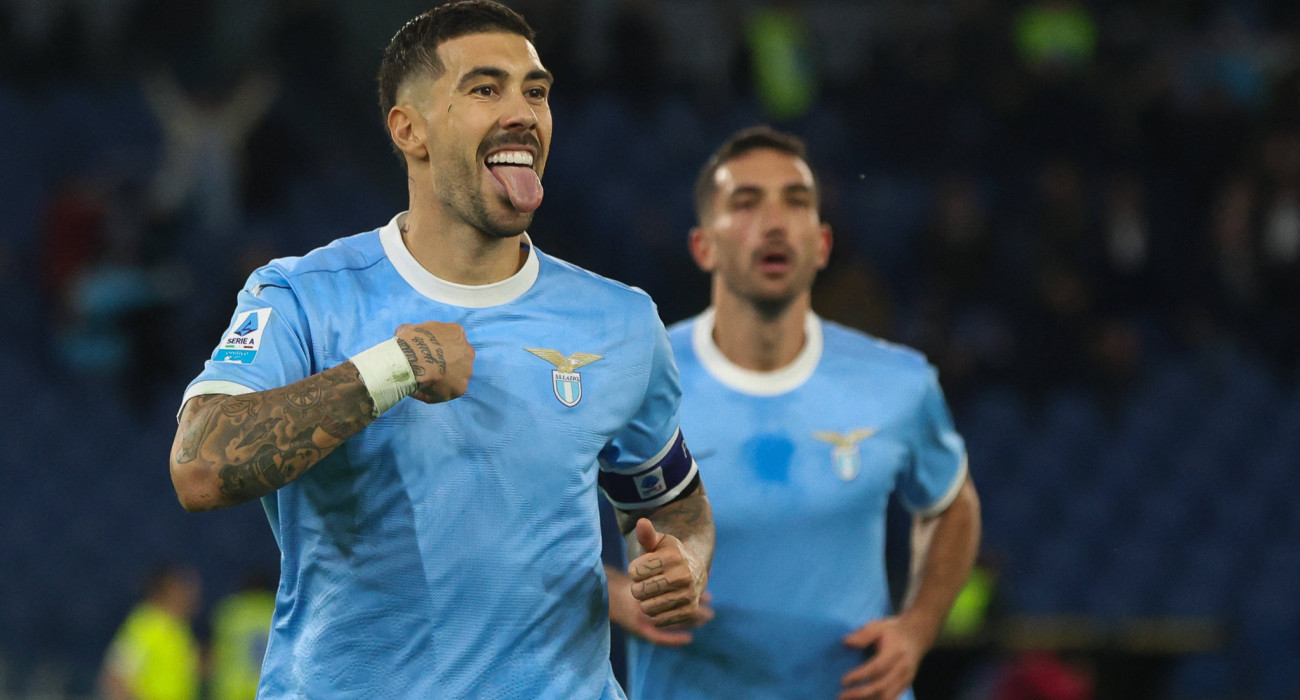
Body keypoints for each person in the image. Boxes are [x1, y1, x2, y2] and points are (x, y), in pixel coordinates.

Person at [168, 2, 714, 697]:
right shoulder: (303, 296)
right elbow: (200, 467)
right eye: (485, 88)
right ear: (410, 129)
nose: (522, 113)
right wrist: (391, 370)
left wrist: (681, 562)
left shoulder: (619, 321)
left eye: (536, 91)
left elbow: (672, 503)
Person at [607, 126, 982, 700]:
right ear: (703, 246)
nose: (775, 223)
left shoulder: (899, 382)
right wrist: (610, 592)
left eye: (796, 202)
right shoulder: (634, 378)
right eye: (746, 202)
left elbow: (952, 503)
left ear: (823, 243)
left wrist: (918, 628)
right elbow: (525, 515)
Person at [99, 564, 202, 700]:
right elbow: (115, 677)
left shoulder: (178, 628)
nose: (190, 597)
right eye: (182, 590)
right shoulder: (144, 626)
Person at [208, 572, 276, 700]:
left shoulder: (230, 611)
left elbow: (215, 653)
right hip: (268, 692)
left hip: (232, 692)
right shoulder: (275, 611)